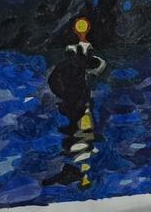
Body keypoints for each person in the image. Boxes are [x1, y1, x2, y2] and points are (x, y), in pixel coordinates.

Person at [45, 17, 106, 188]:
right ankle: (77, 169)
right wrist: (65, 94)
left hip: (78, 101)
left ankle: (78, 168)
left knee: (80, 131)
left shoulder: (75, 64)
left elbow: (97, 67)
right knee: (79, 131)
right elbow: (54, 81)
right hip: (76, 101)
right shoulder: (69, 66)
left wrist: (64, 94)